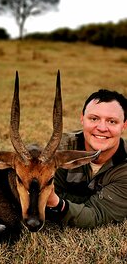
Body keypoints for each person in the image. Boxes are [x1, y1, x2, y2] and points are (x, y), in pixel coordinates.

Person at [46, 89, 127, 228]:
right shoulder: (61, 148)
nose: (102, 128)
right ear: (82, 119)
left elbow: (97, 214)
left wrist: (58, 203)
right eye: (94, 118)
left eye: (112, 121)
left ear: (124, 126)